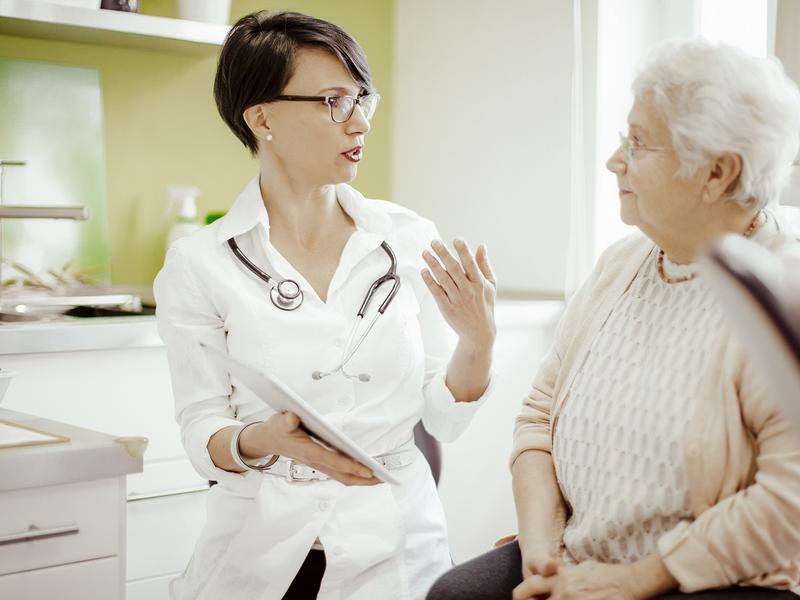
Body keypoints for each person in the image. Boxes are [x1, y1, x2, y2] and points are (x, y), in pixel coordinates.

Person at [428, 38, 800, 600]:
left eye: (640, 144)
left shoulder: (780, 286)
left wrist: (637, 580)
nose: (614, 161)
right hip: (578, 553)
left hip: (718, 578)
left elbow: (789, 497)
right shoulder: (622, 263)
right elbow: (538, 421)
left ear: (717, 173)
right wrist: (542, 555)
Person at [154, 10, 497, 600]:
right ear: (262, 118)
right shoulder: (199, 263)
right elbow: (201, 432)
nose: (359, 121)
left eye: (363, 98)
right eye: (334, 101)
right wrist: (266, 439)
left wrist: (479, 341)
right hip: (260, 543)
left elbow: (443, 419)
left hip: (393, 541)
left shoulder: (408, 238)